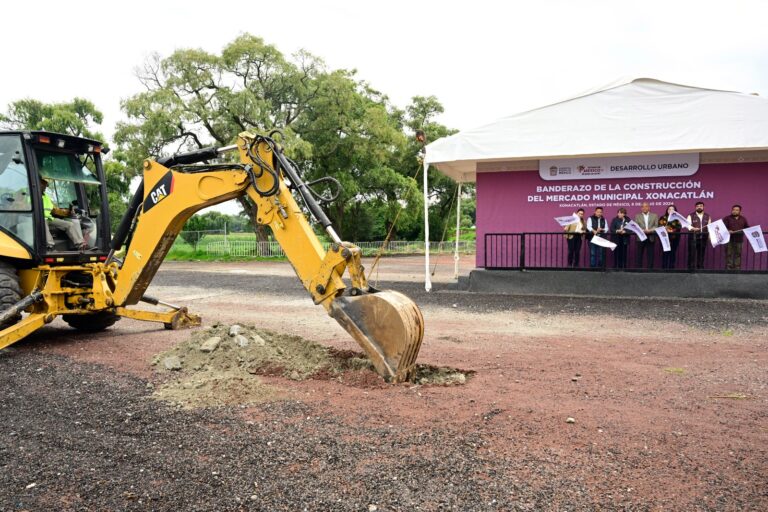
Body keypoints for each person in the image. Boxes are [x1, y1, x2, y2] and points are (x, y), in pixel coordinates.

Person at [40, 177, 87, 251]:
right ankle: (50, 246)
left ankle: (80, 245)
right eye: (44, 184)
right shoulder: (27, 194)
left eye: (46, 184)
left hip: (49, 219)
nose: (46, 186)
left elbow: (55, 210)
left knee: (69, 224)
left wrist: (68, 212)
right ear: (38, 183)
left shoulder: (46, 197)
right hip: (36, 219)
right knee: (42, 223)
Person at [722, 204, 749, 270]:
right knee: (729, 254)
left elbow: (747, 227)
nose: (734, 211)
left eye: (737, 210)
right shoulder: (727, 218)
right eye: (733, 210)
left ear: (740, 211)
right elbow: (722, 227)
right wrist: (728, 230)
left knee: (738, 254)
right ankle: (729, 268)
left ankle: (737, 268)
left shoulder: (743, 219)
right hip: (729, 240)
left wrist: (750, 229)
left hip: (739, 240)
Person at [686, 201, 710, 270]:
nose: (699, 207)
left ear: (703, 207)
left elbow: (709, 227)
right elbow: (688, 225)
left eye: (701, 206)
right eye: (697, 206)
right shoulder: (690, 215)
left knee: (701, 254)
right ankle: (691, 268)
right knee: (691, 253)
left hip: (703, 237)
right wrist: (693, 228)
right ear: (695, 207)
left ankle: (700, 268)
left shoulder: (707, 216)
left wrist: (709, 236)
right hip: (693, 237)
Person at [634, 202, 658, 269]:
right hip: (640, 237)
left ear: (649, 207)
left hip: (651, 237)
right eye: (643, 206)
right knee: (639, 254)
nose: (644, 208)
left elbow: (656, 226)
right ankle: (639, 269)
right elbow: (636, 226)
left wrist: (650, 230)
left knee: (650, 254)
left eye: (646, 206)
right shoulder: (637, 216)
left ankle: (650, 269)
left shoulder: (655, 215)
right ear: (641, 208)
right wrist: (643, 230)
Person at [658, 205, 682, 269]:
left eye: (672, 209)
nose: (670, 210)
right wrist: (664, 228)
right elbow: (659, 226)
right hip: (664, 238)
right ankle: (664, 267)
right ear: (667, 210)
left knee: (673, 253)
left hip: (675, 238)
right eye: (669, 209)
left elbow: (679, 227)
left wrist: (671, 230)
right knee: (665, 252)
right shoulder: (663, 217)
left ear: (675, 211)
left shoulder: (677, 219)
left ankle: (671, 267)